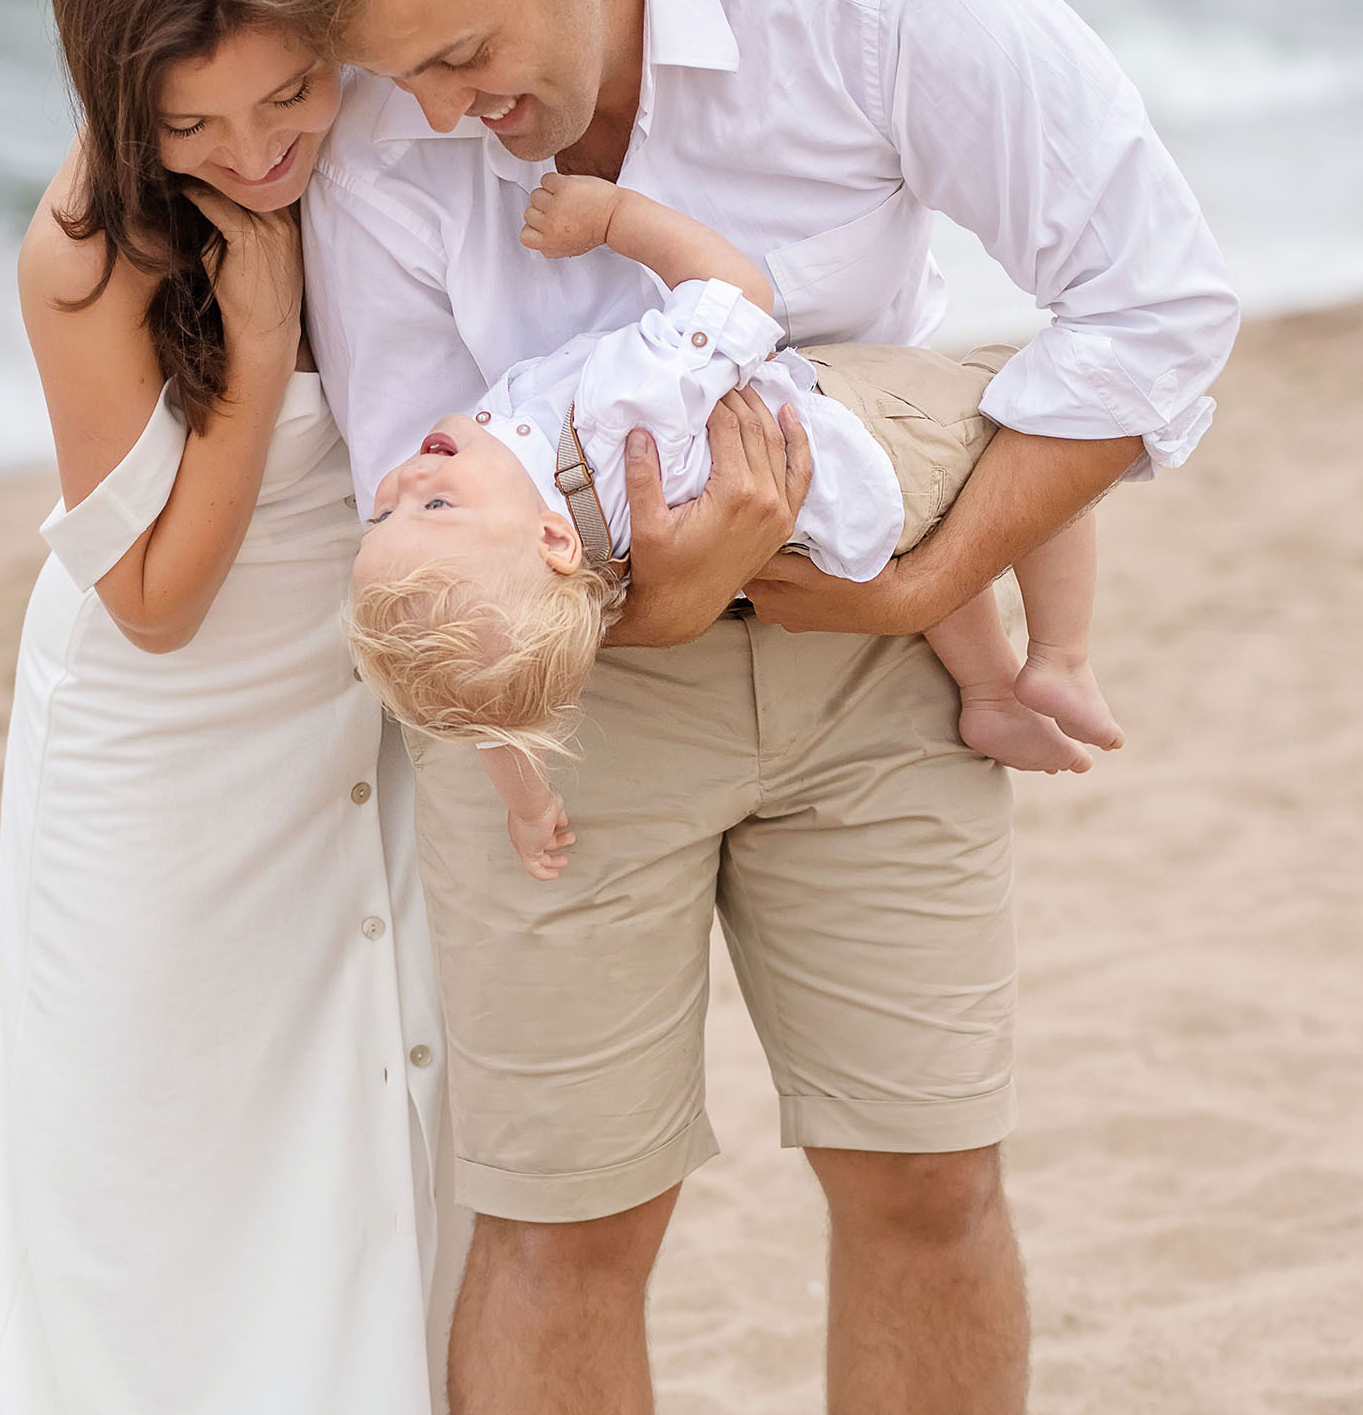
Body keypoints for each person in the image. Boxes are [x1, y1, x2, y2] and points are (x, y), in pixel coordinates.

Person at [272, 0, 1242, 1415]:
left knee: (927, 1180)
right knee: (566, 1226)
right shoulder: (392, 127)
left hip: (865, 649)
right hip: (555, 708)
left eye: (462, 53)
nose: (438, 112)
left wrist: (918, 582)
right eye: (399, 75)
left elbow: (1152, 297)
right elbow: (429, 506)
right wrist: (650, 595)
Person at [0, 0, 733, 1415]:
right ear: (126, 107)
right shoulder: (98, 247)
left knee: (319, 1204)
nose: (261, 146)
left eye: (288, 98)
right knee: (113, 1223)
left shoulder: (373, 129)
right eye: (201, 122)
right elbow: (160, 586)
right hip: (153, 758)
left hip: (338, 745)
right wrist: (254, 288)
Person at [348, 171, 1119, 882]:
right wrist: (618, 218)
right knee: (1039, 427)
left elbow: (493, 708)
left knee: (920, 527)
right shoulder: (616, 411)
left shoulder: (526, 599)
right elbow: (739, 293)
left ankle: (990, 691)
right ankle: (1059, 657)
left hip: (821, 539)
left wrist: (528, 807)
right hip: (863, 445)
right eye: (433, 507)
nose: (407, 478)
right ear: (552, 540)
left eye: (386, 513)